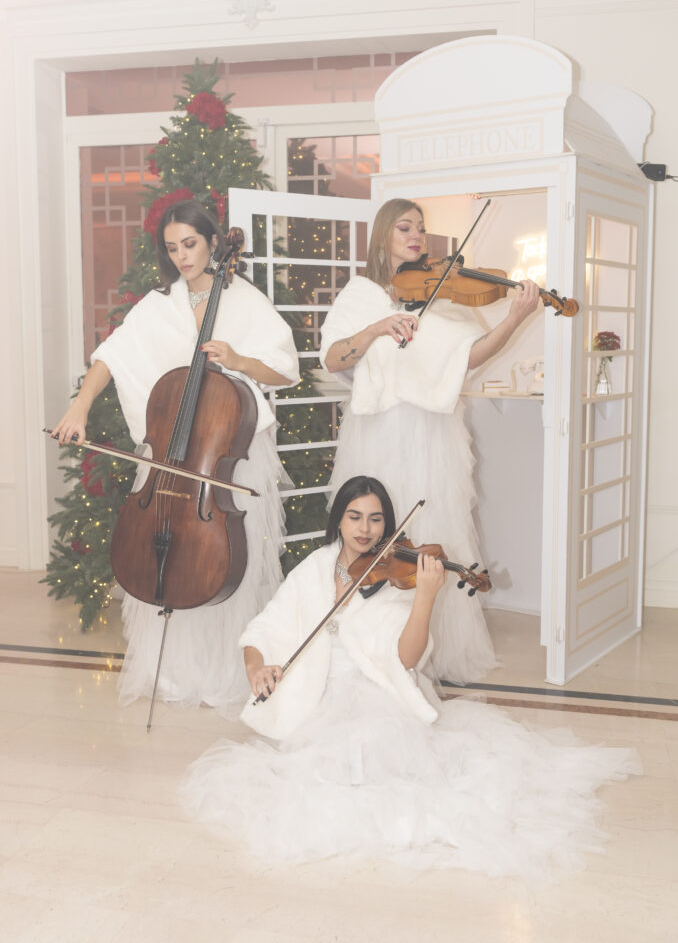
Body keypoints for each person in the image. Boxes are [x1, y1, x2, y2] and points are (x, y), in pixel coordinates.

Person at [180, 476, 640, 877]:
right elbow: (264, 627)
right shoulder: (315, 568)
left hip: (378, 694)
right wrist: (257, 665)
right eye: (354, 517)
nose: (365, 529)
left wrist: (426, 597)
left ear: (388, 524)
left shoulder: (396, 575)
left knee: (374, 765)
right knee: (312, 777)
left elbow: (405, 660)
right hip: (317, 695)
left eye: (376, 519)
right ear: (338, 520)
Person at [52, 199, 299, 708]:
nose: (182, 256)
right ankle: (175, 673)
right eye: (172, 248)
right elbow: (111, 355)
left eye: (190, 244)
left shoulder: (245, 300)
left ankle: (228, 670)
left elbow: (284, 370)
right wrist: (79, 405)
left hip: (227, 455)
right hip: (172, 453)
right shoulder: (159, 303)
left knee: (226, 560)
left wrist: (240, 360)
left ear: (213, 243)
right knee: (170, 553)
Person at [319, 198, 541, 685]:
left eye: (420, 228)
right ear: (383, 236)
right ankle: (366, 647)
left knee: (431, 532)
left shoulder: (443, 297)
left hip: (431, 435)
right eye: (405, 227)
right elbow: (333, 358)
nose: (417, 235)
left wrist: (515, 318)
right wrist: (378, 327)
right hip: (376, 433)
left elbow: (472, 356)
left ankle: (428, 654)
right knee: (371, 535)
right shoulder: (361, 294)